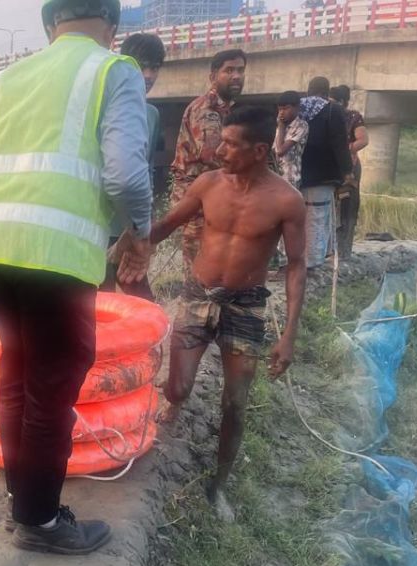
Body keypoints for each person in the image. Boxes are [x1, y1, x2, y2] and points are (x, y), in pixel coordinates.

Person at [0, 0, 155, 555]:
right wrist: (140, 230)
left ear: (50, 26)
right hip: (57, 256)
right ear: (113, 27)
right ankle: (40, 522)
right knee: (50, 387)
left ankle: (26, 496)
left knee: (17, 375)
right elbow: (123, 172)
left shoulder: (1, 81)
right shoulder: (114, 70)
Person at [126, 106, 307, 520]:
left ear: (259, 150)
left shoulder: (286, 200)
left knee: (235, 404)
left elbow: (296, 265)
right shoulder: (208, 184)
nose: (219, 149)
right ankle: (173, 405)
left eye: (229, 144)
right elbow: (165, 225)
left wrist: (289, 334)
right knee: (177, 388)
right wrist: (129, 248)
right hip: (197, 297)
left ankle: (219, 484)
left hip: (245, 309)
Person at [170, 48, 247, 274]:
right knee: (199, 274)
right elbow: (213, 155)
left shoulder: (224, 110)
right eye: (229, 70)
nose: (236, 76)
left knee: (214, 269)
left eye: (240, 71)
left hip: (211, 200)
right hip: (196, 203)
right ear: (213, 77)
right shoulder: (207, 109)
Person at [101, 31, 166, 300]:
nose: (148, 75)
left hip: (131, 229)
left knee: (144, 303)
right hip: (99, 229)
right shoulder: (104, 106)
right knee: (98, 304)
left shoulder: (151, 115)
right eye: (142, 65)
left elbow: (146, 170)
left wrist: (144, 225)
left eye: (155, 67)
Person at [298, 76, 354, 268]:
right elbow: (340, 143)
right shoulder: (333, 109)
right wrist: (347, 170)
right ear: (326, 92)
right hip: (322, 173)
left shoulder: (295, 107)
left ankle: (292, 258)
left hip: (294, 172)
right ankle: (312, 260)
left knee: (296, 216)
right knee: (317, 215)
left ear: (308, 90)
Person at [330, 84, 368, 258]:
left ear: (343, 102)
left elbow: (363, 140)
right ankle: (329, 250)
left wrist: (344, 149)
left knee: (348, 206)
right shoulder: (327, 115)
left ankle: (344, 250)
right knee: (329, 207)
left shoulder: (353, 117)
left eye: (333, 101)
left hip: (349, 168)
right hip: (330, 167)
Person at [274, 91, 308, 191]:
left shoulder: (301, 125)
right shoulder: (282, 125)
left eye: (286, 108)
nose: (281, 112)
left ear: (297, 108)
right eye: (279, 109)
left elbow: (280, 151)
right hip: (277, 176)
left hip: (291, 178)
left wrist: (281, 127)